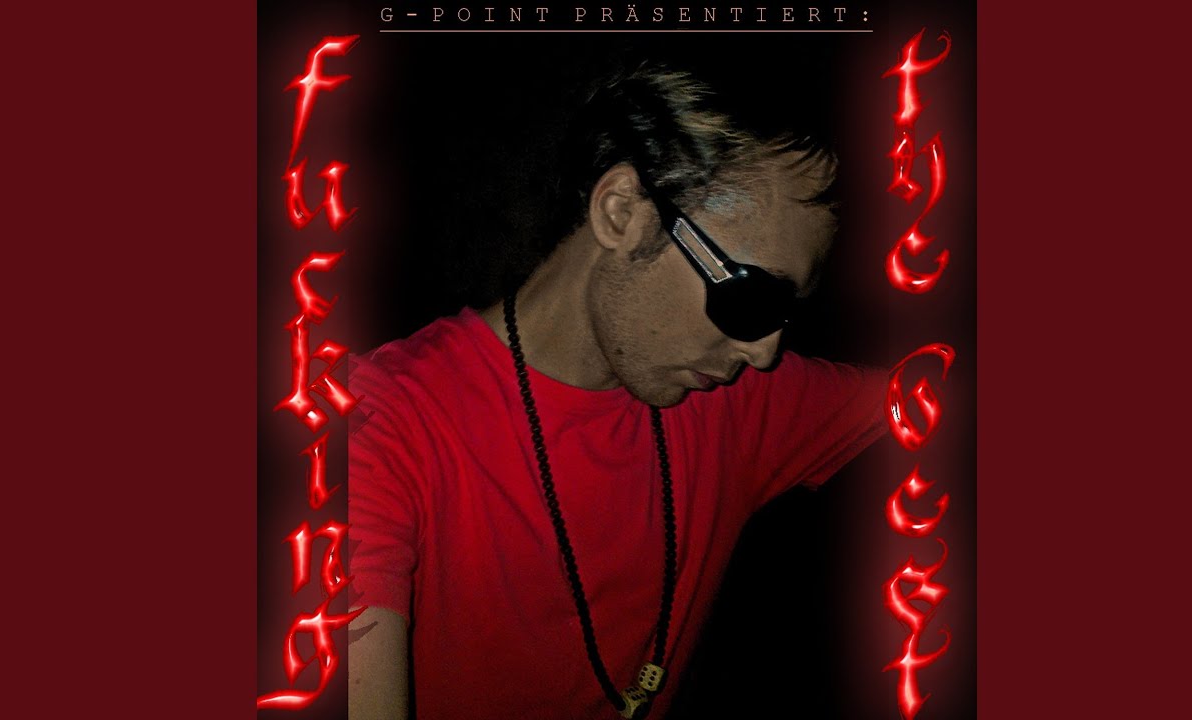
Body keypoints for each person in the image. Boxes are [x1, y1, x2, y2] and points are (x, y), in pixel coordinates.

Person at [346, 61, 888, 720]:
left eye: (787, 312)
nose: (765, 350)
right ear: (622, 211)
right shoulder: (379, 426)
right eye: (751, 300)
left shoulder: (738, 400)